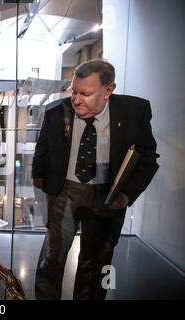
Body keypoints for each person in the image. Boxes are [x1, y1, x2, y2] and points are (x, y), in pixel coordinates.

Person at [32, 59, 159, 300]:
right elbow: (43, 150)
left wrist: (127, 193)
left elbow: (148, 158)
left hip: (106, 195)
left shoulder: (134, 112)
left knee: (97, 262)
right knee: (52, 258)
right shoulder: (55, 112)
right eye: (74, 91)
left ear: (108, 90)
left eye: (86, 94)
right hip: (64, 192)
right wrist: (40, 177)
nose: (76, 100)